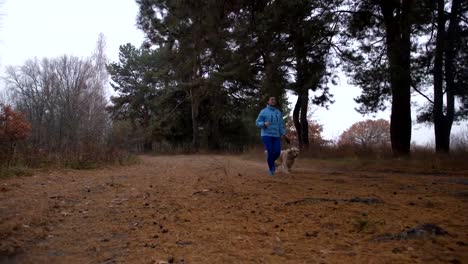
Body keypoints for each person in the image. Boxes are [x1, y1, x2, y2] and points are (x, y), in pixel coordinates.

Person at [255, 96, 290, 176]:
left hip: (276, 135)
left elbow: (281, 125)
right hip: (266, 135)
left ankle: (271, 162)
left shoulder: (278, 112)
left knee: (277, 152)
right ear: (268, 101)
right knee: (270, 151)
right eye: (272, 99)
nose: (274, 101)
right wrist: (263, 124)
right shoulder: (263, 111)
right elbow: (257, 122)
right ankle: (271, 168)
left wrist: (284, 134)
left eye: (275, 100)